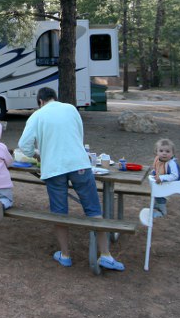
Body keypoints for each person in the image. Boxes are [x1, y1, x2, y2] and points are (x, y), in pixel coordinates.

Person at [17, 86, 124, 271]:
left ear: (40, 102)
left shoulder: (37, 115)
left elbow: (24, 145)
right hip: (80, 163)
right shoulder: (71, 108)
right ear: (55, 98)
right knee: (93, 209)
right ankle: (105, 255)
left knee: (60, 212)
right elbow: (78, 135)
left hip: (54, 168)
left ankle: (65, 255)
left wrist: (36, 154)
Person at [148, 138, 180, 218]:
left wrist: (161, 178)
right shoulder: (159, 160)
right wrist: (154, 172)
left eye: (167, 151)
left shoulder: (171, 163)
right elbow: (159, 169)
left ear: (173, 153)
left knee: (160, 192)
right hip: (163, 181)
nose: (164, 153)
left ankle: (162, 211)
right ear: (157, 152)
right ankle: (157, 204)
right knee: (155, 188)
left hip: (172, 183)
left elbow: (175, 176)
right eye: (161, 151)